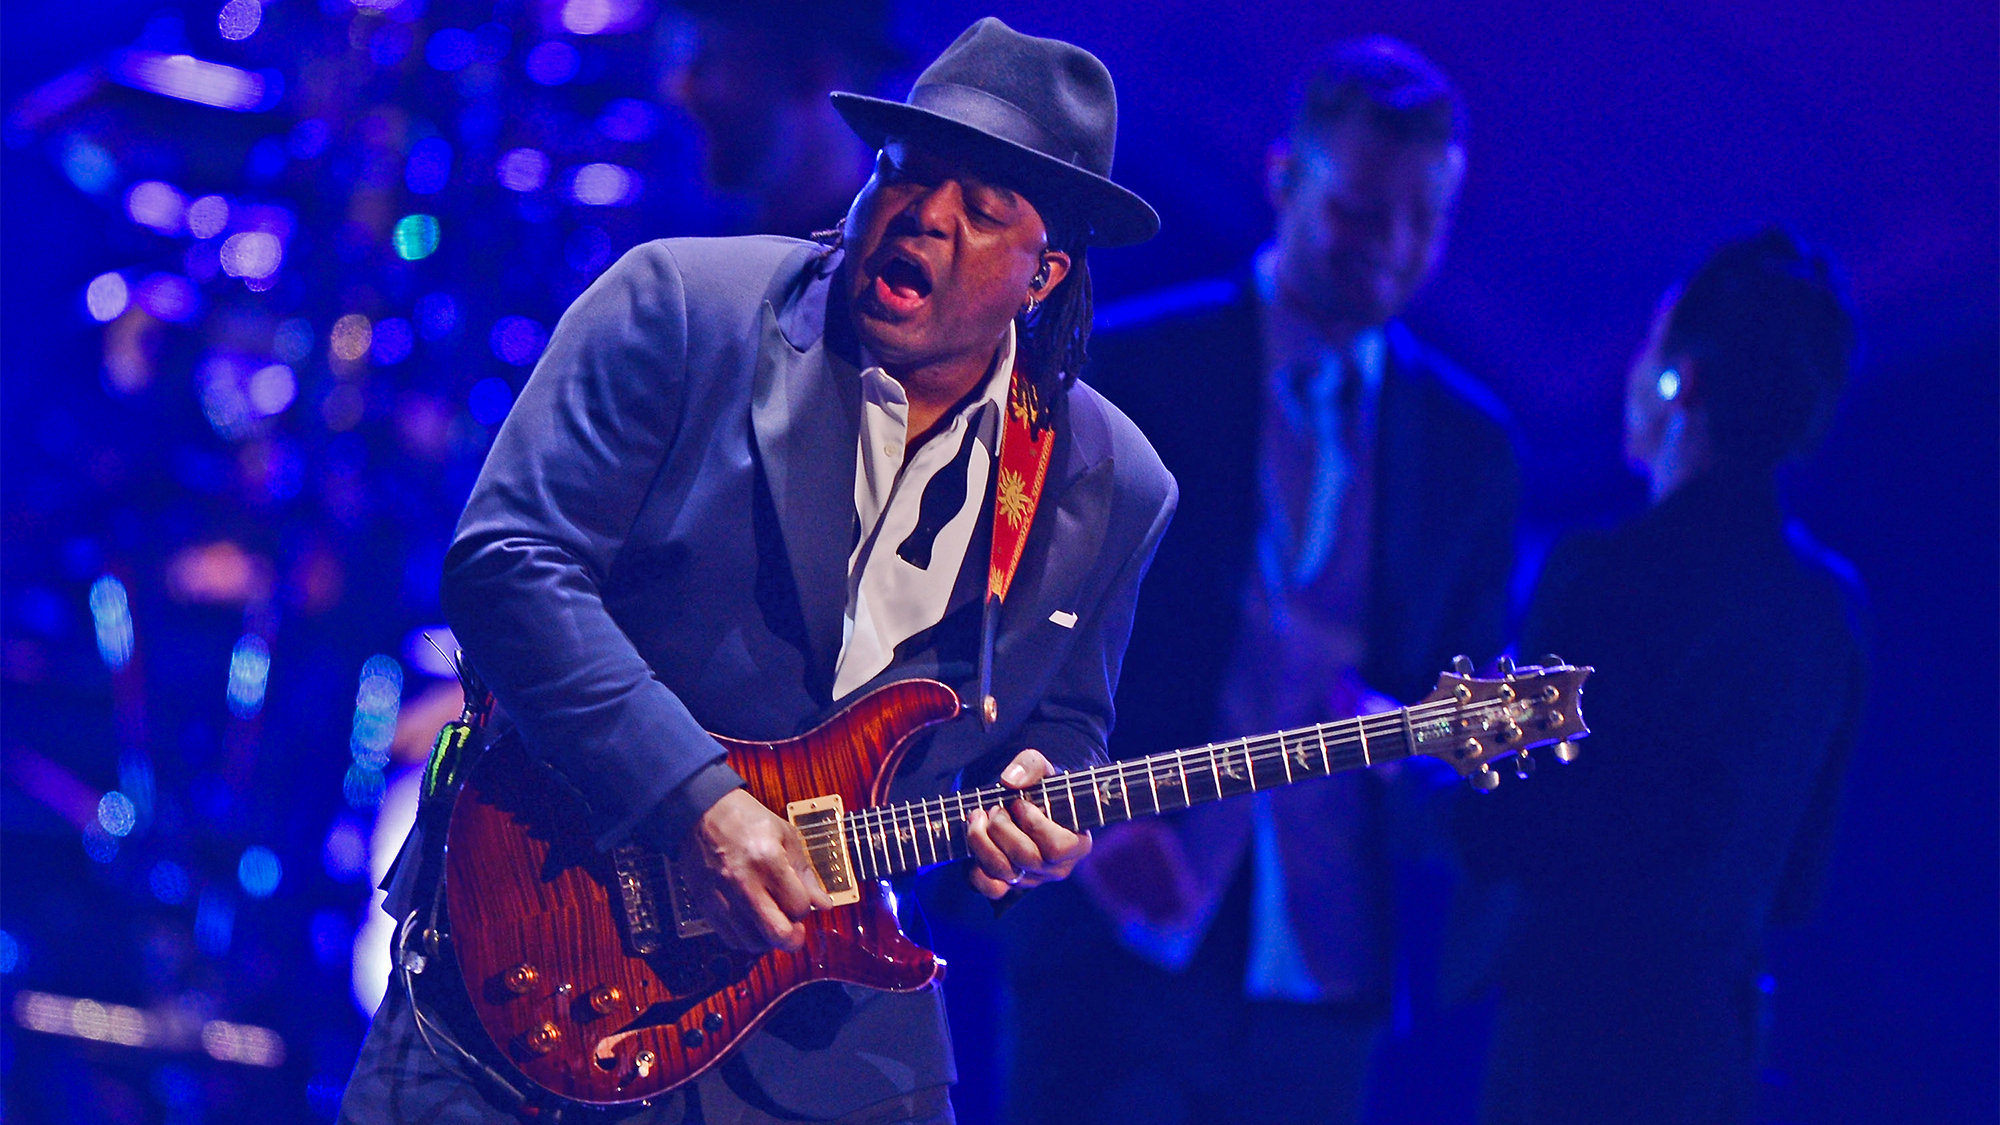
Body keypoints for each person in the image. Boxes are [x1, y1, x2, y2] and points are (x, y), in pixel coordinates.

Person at [338, 19, 1173, 1124]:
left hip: (826, 1037)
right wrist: (697, 803)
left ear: (1044, 273)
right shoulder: (682, 309)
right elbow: (508, 565)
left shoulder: (1112, 483)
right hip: (537, 953)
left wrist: (1035, 809)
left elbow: (1064, 718)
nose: (925, 215)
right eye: (906, 171)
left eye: (982, 209)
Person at [1002, 38, 1519, 1125]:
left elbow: (1461, 692)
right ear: (1285, 177)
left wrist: (1419, 740)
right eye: (1362, 213)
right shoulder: (1128, 367)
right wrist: (1077, 827)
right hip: (1113, 933)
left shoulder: (1473, 449)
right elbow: (999, 624)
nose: (1392, 251)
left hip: (1329, 968)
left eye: (1424, 222)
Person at [1450, 227, 1864, 1125]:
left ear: (1684, 382)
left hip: (1570, 1043)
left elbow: (1512, 821)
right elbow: (1797, 883)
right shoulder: (1831, 612)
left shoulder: (1605, 574)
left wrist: (1421, 770)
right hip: (1714, 1054)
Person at [657, 0, 901, 239]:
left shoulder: (883, 258)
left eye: (711, 58)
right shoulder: (718, 246)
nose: (680, 88)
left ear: (810, 77)